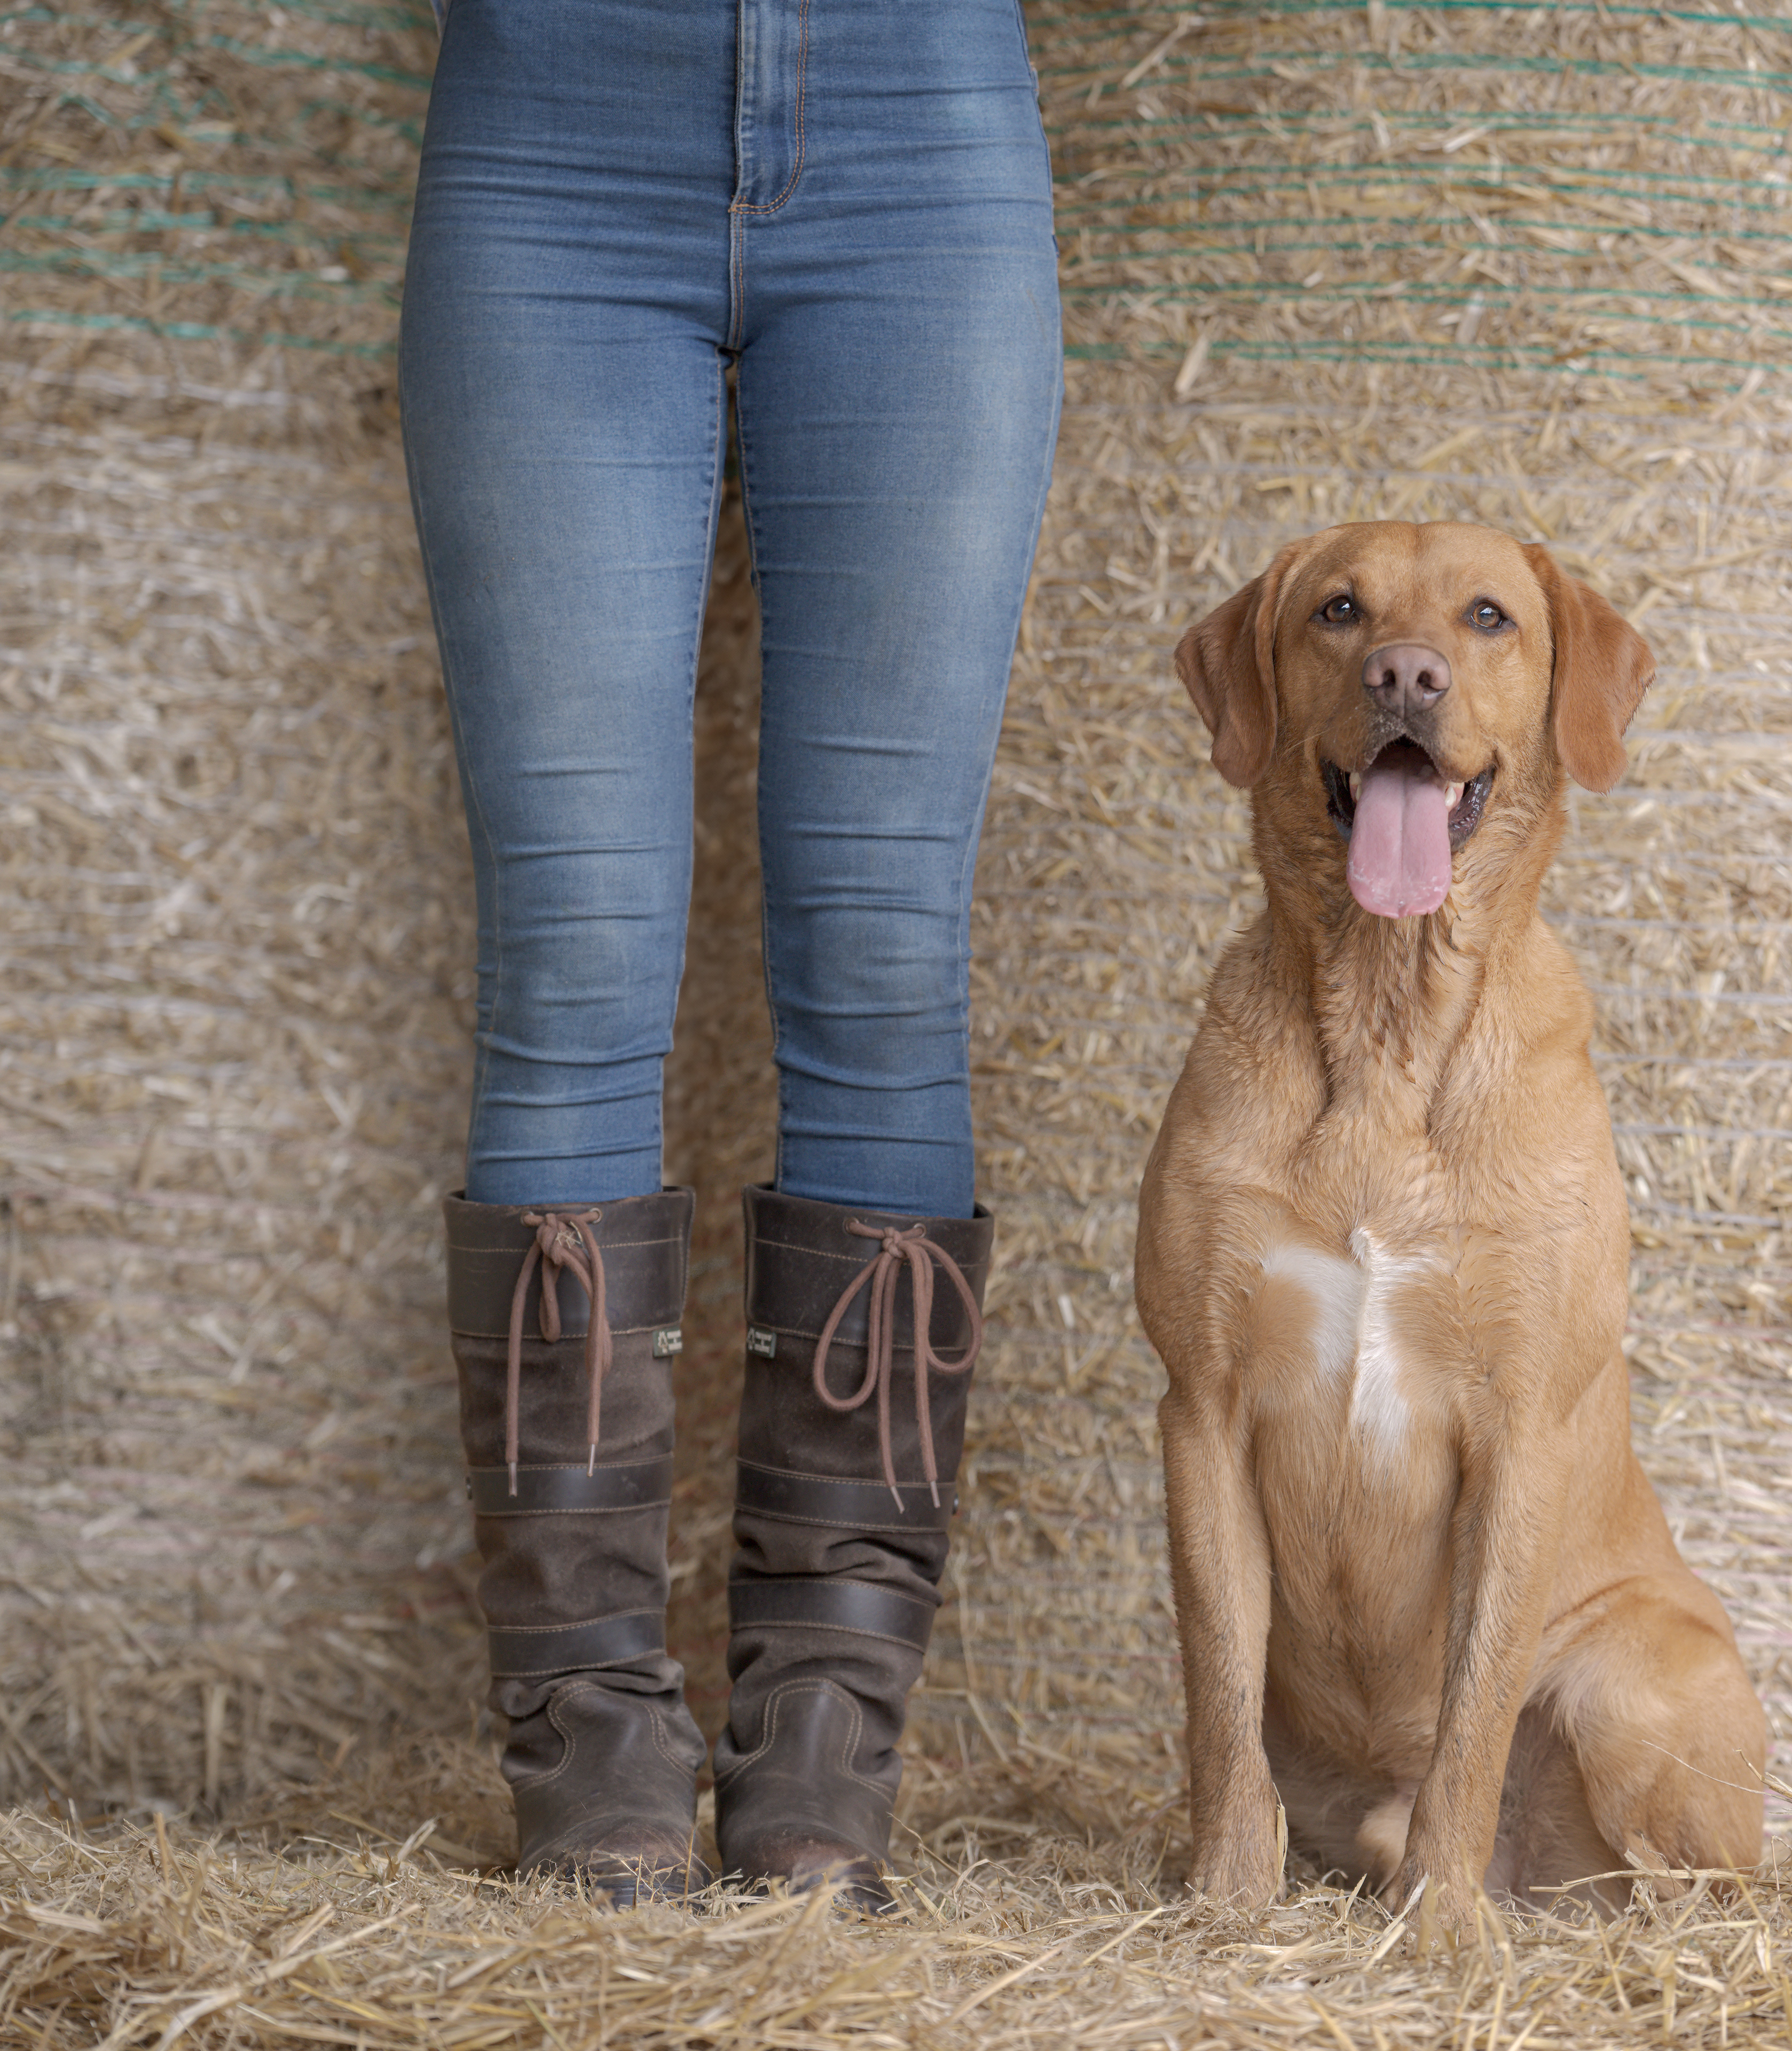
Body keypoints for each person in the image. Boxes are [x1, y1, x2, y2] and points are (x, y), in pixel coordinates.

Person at [398, 0, 1061, 1909]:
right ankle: (589, 1753)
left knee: (878, 961)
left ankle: (825, 1767)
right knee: (576, 957)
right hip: (549, 136)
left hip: (922, 140)